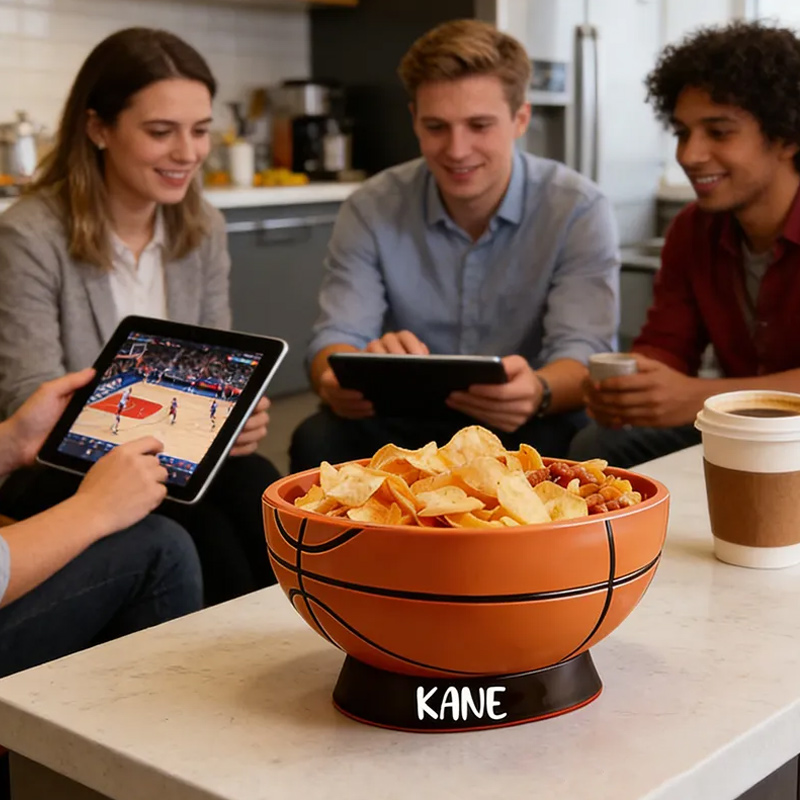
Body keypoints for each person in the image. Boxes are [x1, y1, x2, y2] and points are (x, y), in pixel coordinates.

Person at [0, 28, 280, 605]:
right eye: (161, 132)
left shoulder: (201, 229)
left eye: (200, 131)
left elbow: (219, 362)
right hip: (64, 464)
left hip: (176, 449)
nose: (188, 153)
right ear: (98, 128)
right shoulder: (28, 235)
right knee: (199, 531)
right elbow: (30, 397)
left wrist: (233, 414)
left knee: (263, 491)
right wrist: (193, 420)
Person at [289, 20, 619, 472]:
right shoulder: (371, 206)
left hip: (527, 420)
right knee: (317, 438)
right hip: (401, 419)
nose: (457, 150)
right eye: (436, 126)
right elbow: (334, 339)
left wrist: (539, 390)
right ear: (415, 121)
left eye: (479, 125)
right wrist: (334, 380)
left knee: (575, 444)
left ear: (520, 118)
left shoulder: (577, 208)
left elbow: (583, 350)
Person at [569, 21, 800, 469]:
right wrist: (632, 389)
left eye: (718, 132)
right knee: (597, 446)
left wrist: (697, 395)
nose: (689, 155)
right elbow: (667, 345)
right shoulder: (693, 230)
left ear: (788, 137)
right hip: (741, 428)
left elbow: (695, 394)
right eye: (681, 132)